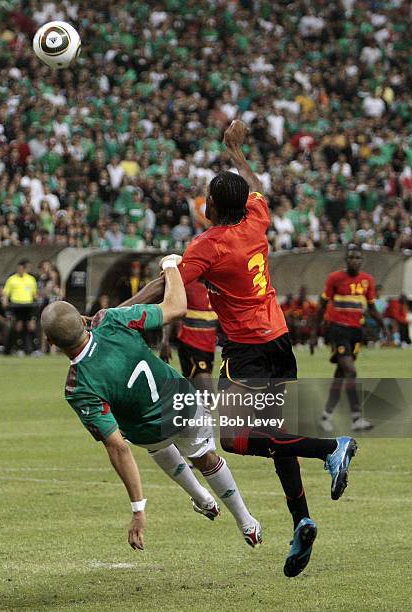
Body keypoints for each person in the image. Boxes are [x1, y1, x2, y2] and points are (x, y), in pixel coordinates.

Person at [119, 121, 358, 577]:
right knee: (278, 431)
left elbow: (162, 286)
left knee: (234, 437)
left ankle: (331, 446)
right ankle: (300, 519)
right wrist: (236, 150)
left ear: (212, 207)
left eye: (207, 199)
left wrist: (115, 312)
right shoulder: (257, 219)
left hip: (248, 350)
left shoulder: (207, 247)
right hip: (280, 339)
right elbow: (257, 186)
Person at [40, 260, 262, 552]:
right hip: (183, 405)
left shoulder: (77, 386)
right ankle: (246, 522)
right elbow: (175, 307)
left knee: (158, 446)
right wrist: (171, 266)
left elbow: (118, 448)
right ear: (83, 320)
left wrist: (138, 510)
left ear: (51, 342)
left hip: (148, 431)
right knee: (205, 457)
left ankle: (200, 497)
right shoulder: (110, 320)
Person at [316, 244, 386, 432]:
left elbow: (371, 307)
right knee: (350, 370)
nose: (354, 260)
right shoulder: (335, 278)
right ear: (346, 260)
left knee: (341, 375)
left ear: (361, 260)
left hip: (356, 332)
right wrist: (315, 331)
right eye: (351, 257)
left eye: (358, 257)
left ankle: (325, 417)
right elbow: (322, 305)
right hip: (338, 330)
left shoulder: (367, 281)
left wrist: (382, 324)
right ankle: (357, 418)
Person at [160, 280, 218, 388]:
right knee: (207, 393)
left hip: (209, 347)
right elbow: (171, 310)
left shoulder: (217, 283)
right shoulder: (186, 282)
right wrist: (165, 341)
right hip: (190, 344)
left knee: (193, 390)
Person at [3, 259, 39, 355]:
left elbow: (35, 294)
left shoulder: (31, 279)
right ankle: (19, 349)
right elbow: (6, 293)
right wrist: (5, 300)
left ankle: (35, 349)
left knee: (31, 326)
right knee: (18, 327)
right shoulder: (12, 279)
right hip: (16, 305)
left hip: (28, 305)